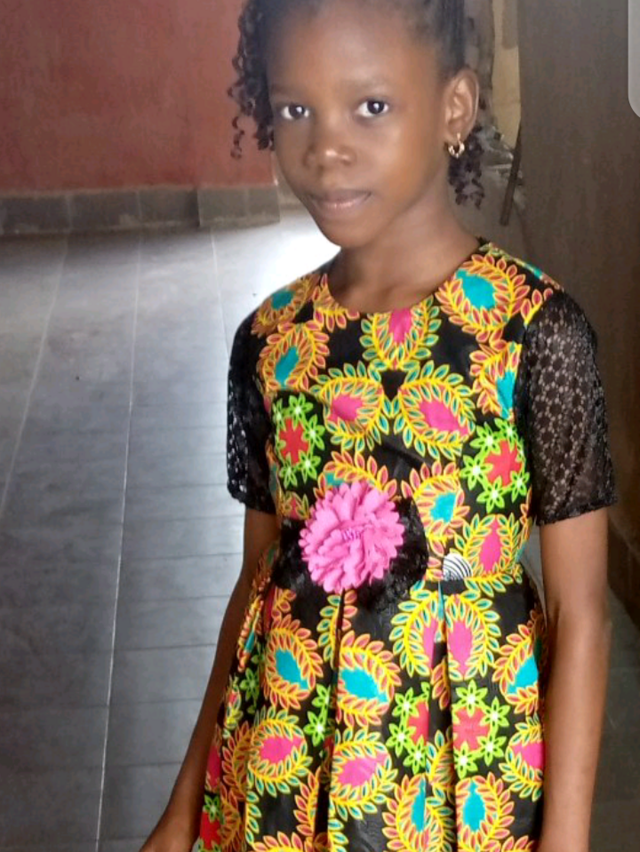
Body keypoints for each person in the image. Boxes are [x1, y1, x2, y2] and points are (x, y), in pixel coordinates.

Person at [140, 1, 617, 851]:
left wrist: (567, 840)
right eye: (296, 109)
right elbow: (257, 581)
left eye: (370, 106)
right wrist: (184, 806)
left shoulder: (533, 334)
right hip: (285, 769)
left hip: (465, 788)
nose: (326, 147)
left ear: (454, 108)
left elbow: (583, 613)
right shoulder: (271, 341)